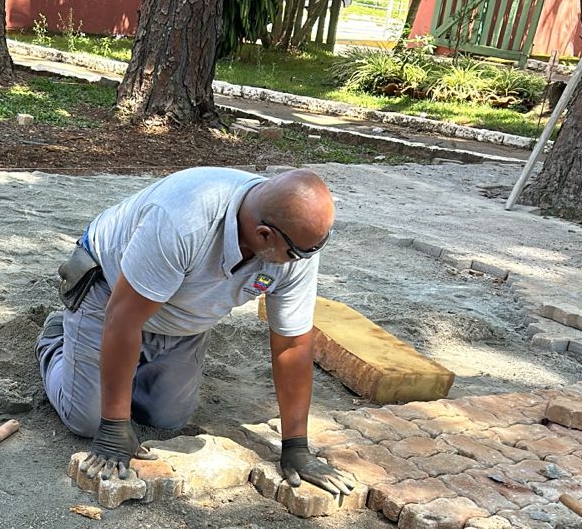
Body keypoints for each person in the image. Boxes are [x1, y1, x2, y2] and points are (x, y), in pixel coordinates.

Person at [37, 166, 357, 498]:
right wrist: (115, 426)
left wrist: (296, 445)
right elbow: (122, 320)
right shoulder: (183, 221)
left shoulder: (297, 243)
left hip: (182, 315)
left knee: (167, 418)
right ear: (263, 234)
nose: (302, 261)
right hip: (109, 293)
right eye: (296, 254)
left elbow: (292, 344)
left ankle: (130, 357)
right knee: (88, 420)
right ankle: (56, 338)